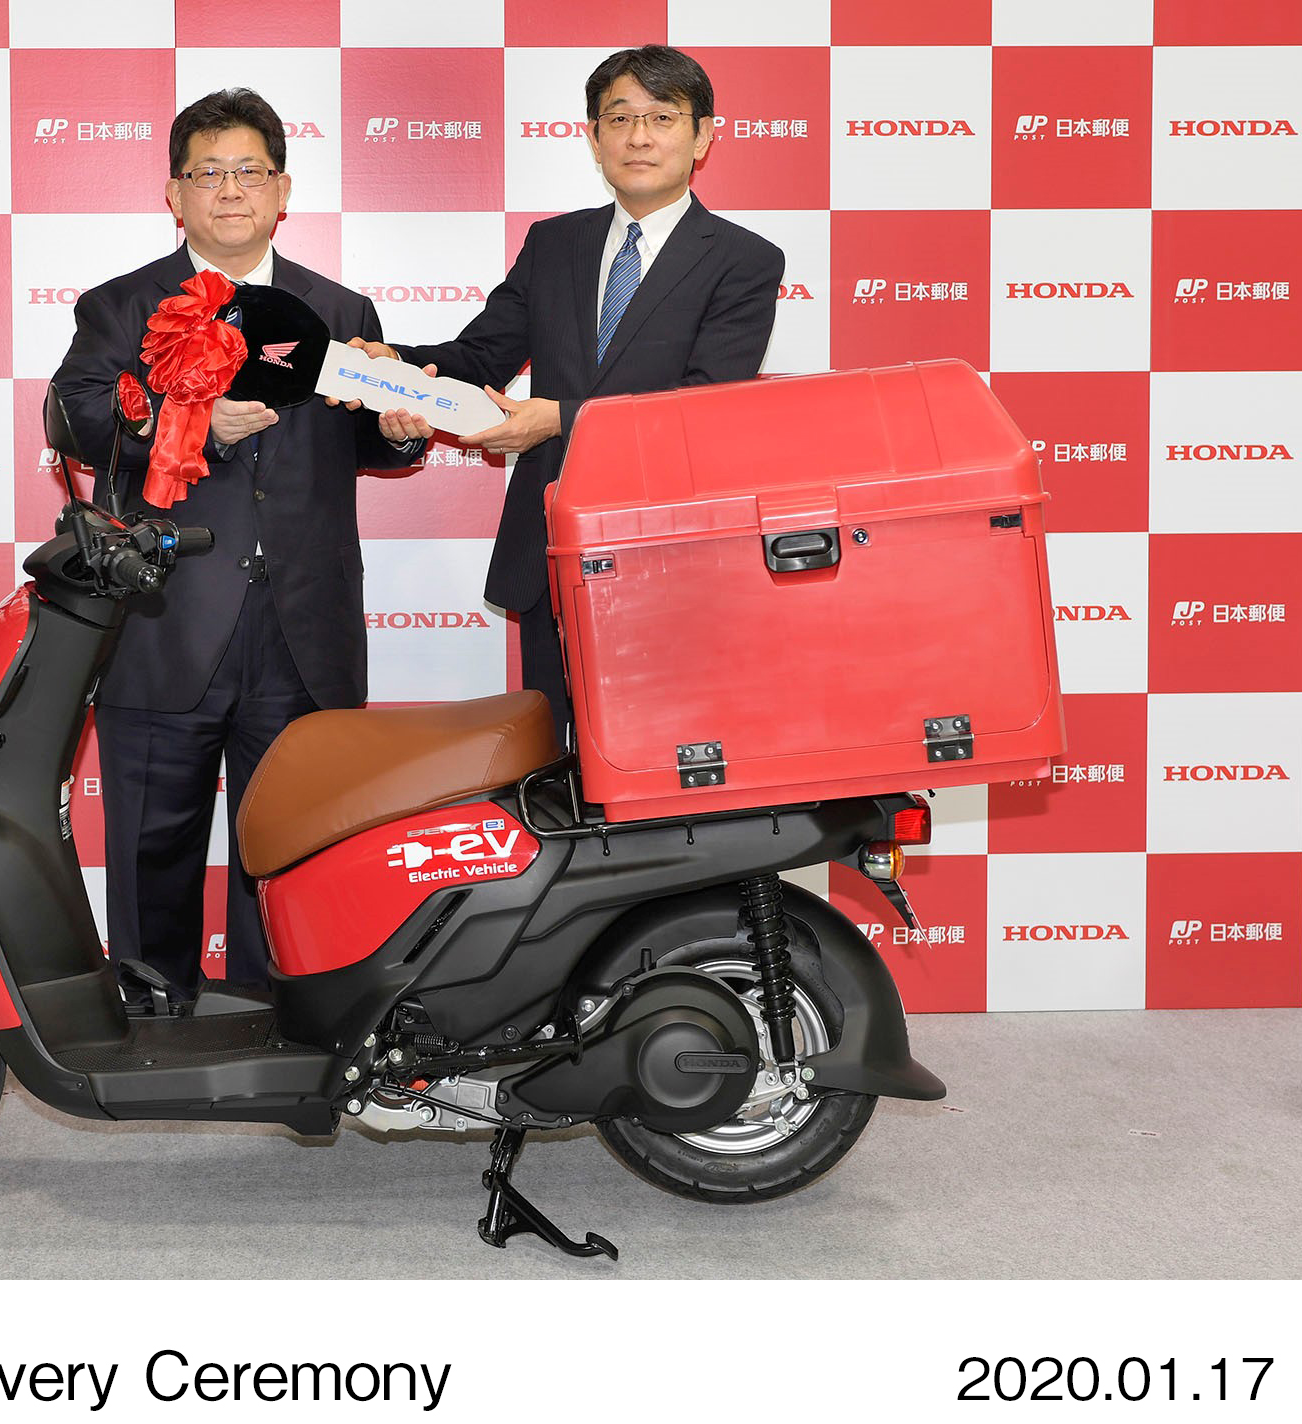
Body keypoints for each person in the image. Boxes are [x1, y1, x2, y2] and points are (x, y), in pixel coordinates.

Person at [51, 89, 425, 1001]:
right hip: (165, 619)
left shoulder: (339, 307)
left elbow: (369, 441)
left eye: (249, 172)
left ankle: (275, 1030)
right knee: (151, 851)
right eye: (207, 172)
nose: (229, 190)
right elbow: (77, 419)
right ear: (174, 193)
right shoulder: (120, 306)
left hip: (302, 631)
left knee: (290, 854)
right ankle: (154, 1027)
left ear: (282, 190)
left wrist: (402, 426)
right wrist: (191, 423)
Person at [351, 45, 784, 738]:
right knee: (553, 758)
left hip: (669, 548)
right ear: (593, 136)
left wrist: (559, 420)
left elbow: (704, 407)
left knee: (657, 758)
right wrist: (395, 364)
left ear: (702, 135)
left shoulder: (744, 260)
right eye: (620, 118)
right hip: (550, 545)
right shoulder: (554, 244)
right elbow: (480, 355)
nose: (639, 137)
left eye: (662, 117)